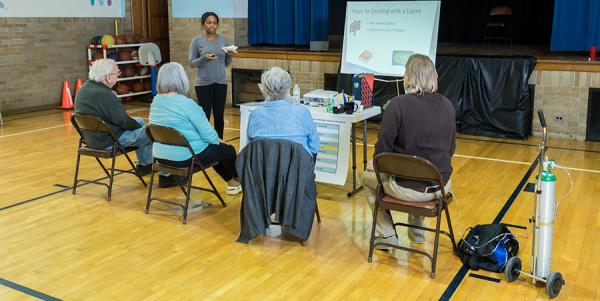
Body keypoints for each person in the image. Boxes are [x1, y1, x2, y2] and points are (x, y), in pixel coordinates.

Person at [362, 54, 456, 248]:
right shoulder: (447, 104)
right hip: (441, 186)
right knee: (418, 170)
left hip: (410, 189)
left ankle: (387, 236)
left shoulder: (398, 105)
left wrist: (376, 165)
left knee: (367, 178)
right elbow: (451, 148)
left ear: (408, 77)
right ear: (433, 77)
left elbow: (382, 153)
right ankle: (417, 231)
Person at [149, 62, 241, 193]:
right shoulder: (187, 104)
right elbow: (208, 134)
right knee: (228, 150)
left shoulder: (156, 101)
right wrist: (218, 140)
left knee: (215, 150)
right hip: (185, 157)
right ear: (181, 79)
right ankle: (241, 179)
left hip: (161, 156)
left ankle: (233, 183)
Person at [74, 58, 153, 175]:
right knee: (152, 131)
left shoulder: (84, 89)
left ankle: (145, 165)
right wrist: (138, 128)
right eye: (117, 73)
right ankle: (156, 169)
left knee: (140, 121)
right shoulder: (105, 94)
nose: (118, 76)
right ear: (108, 77)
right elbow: (123, 121)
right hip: (109, 140)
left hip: (91, 139)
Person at [247, 66, 320, 155]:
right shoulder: (302, 112)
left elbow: (251, 147)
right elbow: (314, 147)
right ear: (288, 89)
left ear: (265, 90)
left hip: (264, 168)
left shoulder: (255, 115)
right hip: (297, 167)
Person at [189, 11, 236, 139]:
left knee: (219, 115)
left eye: (214, 23)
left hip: (220, 83)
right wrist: (204, 58)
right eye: (209, 22)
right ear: (203, 24)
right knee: (204, 116)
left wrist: (230, 56)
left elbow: (225, 62)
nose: (212, 25)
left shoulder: (223, 40)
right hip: (203, 84)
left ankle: (219, 142)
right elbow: (192, 63)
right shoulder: (196, 41)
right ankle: (203, 143)